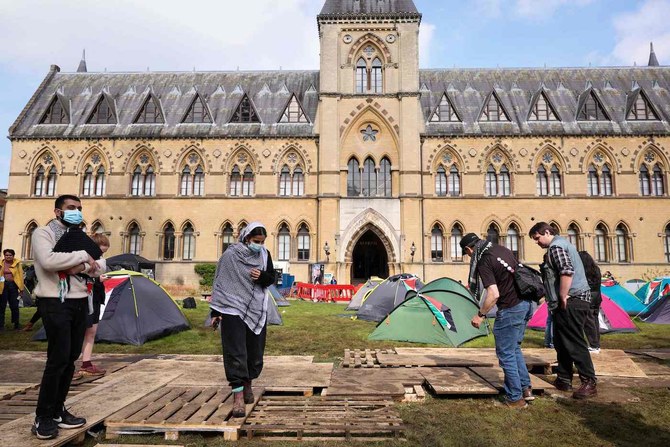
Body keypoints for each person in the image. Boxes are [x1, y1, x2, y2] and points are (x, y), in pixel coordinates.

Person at [31, 194, 105, 439]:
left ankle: (58, 410)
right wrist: (85, 257)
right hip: (55, 301)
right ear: (57, 211)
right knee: (58, 357)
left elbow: (102, 266)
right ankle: (42, 416)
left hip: (80, 302)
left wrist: (80, 267)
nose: (76, 211)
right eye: (71, 208)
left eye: (79, 208)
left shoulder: (82, 236)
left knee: (71, 357)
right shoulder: (44, 234)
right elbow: (49, 261)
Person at [209, 222, 275, 418]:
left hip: (255, 309)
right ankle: (237, 397)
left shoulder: (264, 255)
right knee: (235, 351)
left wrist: (262, 276)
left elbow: (271, 278)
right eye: (256, 241)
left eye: (262, 242)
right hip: (231, 309)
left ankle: (248, 385)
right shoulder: (230, 256)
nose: (260, 245)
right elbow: (220, 282)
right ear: (247, 238)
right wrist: (215, 312)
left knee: (254, 351)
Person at [461, 233, 534, 409]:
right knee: (515, 349)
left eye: (468, 254)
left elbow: (493, 294)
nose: (469, 257)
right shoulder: (501, 249)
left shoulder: (484, 260)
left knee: (506, 354)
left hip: (511, 308)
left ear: (470, 249)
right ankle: (526, 389)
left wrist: (480, 314)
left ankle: (515, 398)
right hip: (526, 304)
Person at [529, 222, 597, 400]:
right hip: (570, 301)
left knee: (574, 342)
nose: (537, 242)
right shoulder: (562, 245)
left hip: (572, 300)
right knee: (561, 341)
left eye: (537, 238)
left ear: (546, 232)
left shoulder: (556, 247)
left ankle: (589, 382)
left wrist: (563, 295)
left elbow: (566, 271)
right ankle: (564, 378)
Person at [74, 233, 110, 378]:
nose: (102, 254)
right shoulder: (82, 260)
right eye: (101, 251)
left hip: (94, 296)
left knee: (91, 331)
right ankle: (70, 365)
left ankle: (86, 364)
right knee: (81, 330)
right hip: (85, 297)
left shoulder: (98, 261)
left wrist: (99, 279)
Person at [579, 251, 602, 354]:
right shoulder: (596, 269)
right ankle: (596, 344)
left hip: (589, 297)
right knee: (595, 320)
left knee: (589, 322)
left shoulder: (583, 271)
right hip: (597, 297)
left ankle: (594, 345)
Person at [1, 249, 25, 330]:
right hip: (2, 286)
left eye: (10, 255)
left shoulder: (17, 264)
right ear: (4, 256)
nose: (8, 256)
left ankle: (16, 324)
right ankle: (1, 325)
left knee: (14, 305)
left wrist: (21, 289)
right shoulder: (1, 264)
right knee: (1, 306)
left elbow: (21, 276)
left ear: (13, 256)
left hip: (13, 286)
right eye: (6, 255)